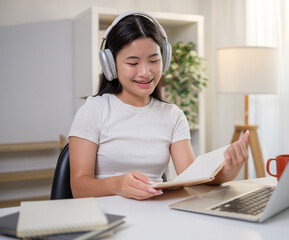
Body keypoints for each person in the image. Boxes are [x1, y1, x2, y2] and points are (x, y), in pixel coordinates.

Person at [68, 11, 249, 200]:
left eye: (154, 61)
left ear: (165, 60)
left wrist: (226, 173)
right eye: (133, 62)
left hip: (156, 214)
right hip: (105, 216)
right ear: (111, 66)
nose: (145, 72)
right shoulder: (94, 110)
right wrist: (117, 185)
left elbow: (192, 177)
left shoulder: (173, 115)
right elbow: (79, 188)